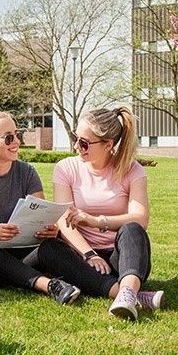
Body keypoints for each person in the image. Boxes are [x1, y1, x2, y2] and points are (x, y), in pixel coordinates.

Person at [0, 111, 81, 305]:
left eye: (17, 134)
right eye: (9, 138)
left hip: (23, 251)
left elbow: (43, 213)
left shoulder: (27, 171)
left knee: (53, 246)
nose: (17, 142)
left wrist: (50, 229)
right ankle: (49, 285)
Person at [52, 106, 161, 321]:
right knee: (49, 249)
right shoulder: (65, 168)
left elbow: (140, 218)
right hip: (83, 257)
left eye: (84, 143)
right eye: (76, 139)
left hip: (122, 259)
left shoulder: (132, 170)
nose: (76, 146)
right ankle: (128, 295)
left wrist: (96, 221)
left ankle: (128, 290)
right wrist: (89, 253)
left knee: (132, 229)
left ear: (108, 145)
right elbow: (64, 220)